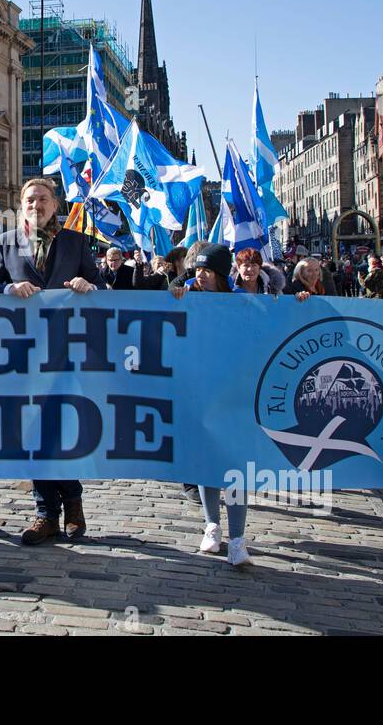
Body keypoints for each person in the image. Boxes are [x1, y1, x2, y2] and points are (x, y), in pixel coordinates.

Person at [0, 177, 104, 544]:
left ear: (54, 204)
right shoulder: (5, 242)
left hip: (66, 354)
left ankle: (74, 504)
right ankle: (45, 514)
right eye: (30, 199)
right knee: (33, 432)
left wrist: (88, 285)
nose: (36, 204)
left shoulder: (76, 242)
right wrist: (8, 288)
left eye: (43, 199)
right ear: (21, 204)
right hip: (22, 356)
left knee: (62, 430)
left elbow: (103, 287)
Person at [169, 242, 251, 567]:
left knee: (236, 469)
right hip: (199, 391)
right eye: (197, 270)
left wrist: (302, 298)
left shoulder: (240, 303)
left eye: (206, 271)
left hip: (234, 394)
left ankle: (239, 539)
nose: (200, 276)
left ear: (219, 273)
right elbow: (168, 296)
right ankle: (212, 525)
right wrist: (178, 287)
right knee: (206, 463)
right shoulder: (187, 296)